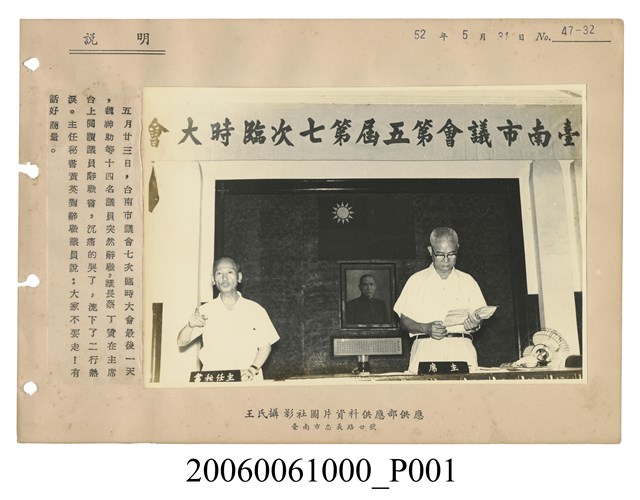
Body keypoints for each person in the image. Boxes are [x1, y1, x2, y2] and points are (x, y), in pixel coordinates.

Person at [393, 227, 486, 372]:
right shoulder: (416, 281)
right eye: (440, 254)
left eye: (451, 254)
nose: (446, 260)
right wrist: (425, 328)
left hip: (461, 350)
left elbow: (480, 317)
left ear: (457, 249)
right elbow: (404, 322)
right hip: (426, 350)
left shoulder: (468, 281)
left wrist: (475, 323)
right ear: (430, 250)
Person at [177, 256, 280, 382]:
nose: (224, 278)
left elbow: (265, 346)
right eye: (219, 273)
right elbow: (181, 342)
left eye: (230, 272)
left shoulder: (255, 309)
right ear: (213, 279)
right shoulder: (204, 311)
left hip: (247, 379)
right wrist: (190, 325)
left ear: (239, 277)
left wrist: (252, 369)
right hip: (214, 381)